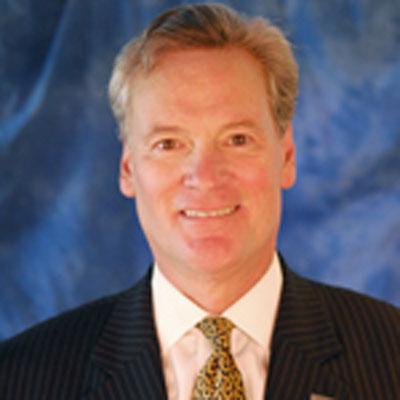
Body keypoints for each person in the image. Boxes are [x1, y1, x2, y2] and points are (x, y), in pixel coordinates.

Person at [0, 3, 399, 399]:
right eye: (168, 144)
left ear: (287, 156)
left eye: (237, 139)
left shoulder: (390, 356)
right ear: (128, 169)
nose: (205, 177)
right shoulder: (21, 379)